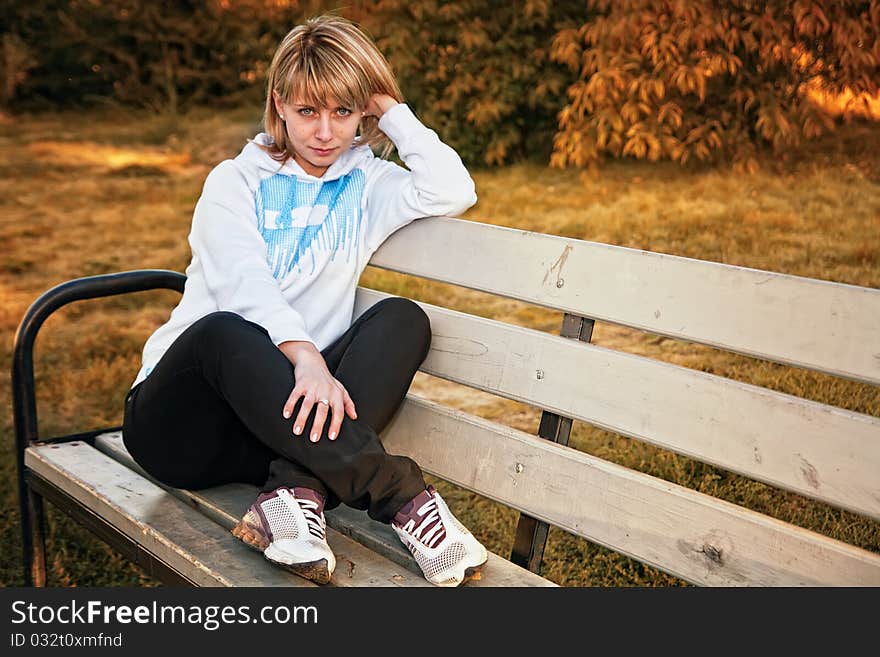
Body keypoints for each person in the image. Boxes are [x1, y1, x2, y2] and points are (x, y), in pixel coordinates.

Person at [121, 14, 488, 587]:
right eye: (307, 111)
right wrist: (307, 357)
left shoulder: (367, 183)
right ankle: (401, 497)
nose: (324, 132)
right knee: (224, 330)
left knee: (401, 318)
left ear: (362, 111)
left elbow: (452, 188)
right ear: (279, 105)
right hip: (181, 426)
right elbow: (247, 284)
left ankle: (293, 491)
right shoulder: (233, 182)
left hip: (278, 434)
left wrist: (390, 108)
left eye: (343, 111)